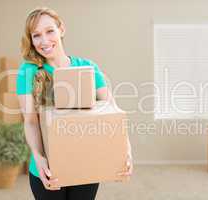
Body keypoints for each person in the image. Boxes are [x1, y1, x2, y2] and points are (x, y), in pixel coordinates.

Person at [16, 7, 133, 200]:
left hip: (86, 164)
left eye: (49, 31)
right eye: (36, 35)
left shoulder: (87, 68)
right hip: (47, 170)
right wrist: (38, 158)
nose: (44, 41)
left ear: (61, 29)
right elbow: (30, 121)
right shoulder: (27, 71)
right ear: (31, 39)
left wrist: (126, 151)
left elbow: (112, 112)